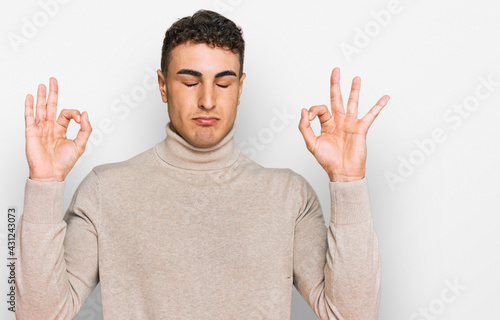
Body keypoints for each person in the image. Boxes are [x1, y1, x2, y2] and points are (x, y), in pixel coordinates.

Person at [15, 9, 389, 320]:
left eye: (223, 83)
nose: (208, 100)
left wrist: (348, 180)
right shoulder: (105, 190)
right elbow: (37, 314)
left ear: (241, 88)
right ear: (163, 86)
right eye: (190, 81)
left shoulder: (289, 195)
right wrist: (44, 183)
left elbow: (350, 314)